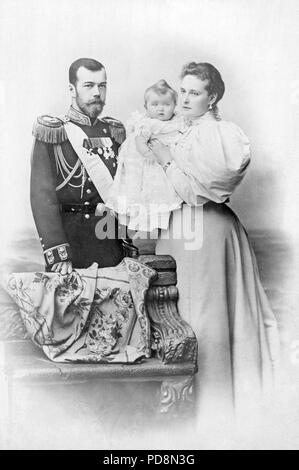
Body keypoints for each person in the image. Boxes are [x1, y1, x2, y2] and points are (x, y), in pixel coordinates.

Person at [152, 62, 280, 419]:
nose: (186, 99)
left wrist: (166, 162)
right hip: (178, 231)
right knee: (177, 316)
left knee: (208, 321)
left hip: (208, 232)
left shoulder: (221, 135)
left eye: (195, 92)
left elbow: (201, 191)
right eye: (184, 91)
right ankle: (179, 413)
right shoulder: (179, 131)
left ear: (213, 97)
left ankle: (214, 413)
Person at [30, 58, 128, 274]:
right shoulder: (54, 133)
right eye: (89, 85)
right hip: (72, 246)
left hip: (110, 242)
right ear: (72, 89)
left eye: (102, 86)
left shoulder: (114, 132)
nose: (97, 93)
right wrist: (58, 252)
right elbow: (42, 198)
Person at [106, 79, 182, 232]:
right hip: (150, 163)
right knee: (149, 194)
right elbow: (140, 141)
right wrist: (148, 153)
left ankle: (162, 223)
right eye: (155, 105)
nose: (161, 109)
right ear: (146, 107)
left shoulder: (177, 123)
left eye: (166, 105)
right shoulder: (147, 124)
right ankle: (144, 226)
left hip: (169, 161)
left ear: (174, 105)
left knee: (166, 195)